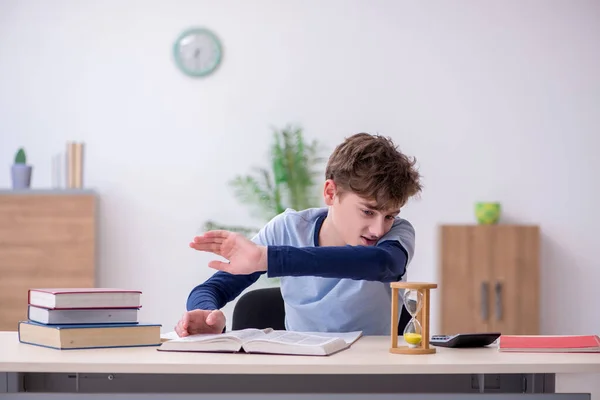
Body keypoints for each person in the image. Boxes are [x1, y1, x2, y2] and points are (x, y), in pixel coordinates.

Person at [174, 132, 422, 337]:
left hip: (372, 373)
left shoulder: (397, 235)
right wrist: (206, 314)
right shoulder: (287, 229)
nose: (379, 230)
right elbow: (210, 289)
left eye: (389, 215)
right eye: (368, 212)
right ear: (330, 192)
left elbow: (382, 264)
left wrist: (269, 259)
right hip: (302, 371)